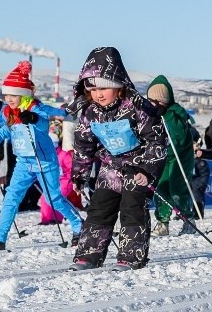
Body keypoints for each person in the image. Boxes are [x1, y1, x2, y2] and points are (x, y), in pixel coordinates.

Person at [68, 47, 167, 270]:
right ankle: (89, 254)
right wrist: (79, 174)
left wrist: (147, 170)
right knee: (99, 208)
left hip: (137, 168)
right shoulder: (89, 112)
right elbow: (84, 144)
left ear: (118, 85)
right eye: (92, 89)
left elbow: (155, 141)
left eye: (104, 87)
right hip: (110, 168)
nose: (98, 94)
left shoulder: (137, 108)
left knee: (132, 209)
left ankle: (131, 255)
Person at [0, 61, 83, 252]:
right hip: (23, 163)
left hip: (44, 162)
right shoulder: (9, 111)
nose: (8, 98)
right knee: (11, 197)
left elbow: (42, 124)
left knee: (54, 199)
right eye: (6, 94)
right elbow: (7, 130)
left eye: (13, 95)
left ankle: (79, 226)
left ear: (24, 94)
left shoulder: (36, 108)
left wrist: (32, 119)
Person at [149, 75, 197, 236]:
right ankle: (162, 222)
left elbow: (181, 139)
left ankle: (188, 219)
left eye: (159, 102)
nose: (155, 105)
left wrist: (167, 116)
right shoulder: (150, 115)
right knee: (161, 188)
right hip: (162, 157)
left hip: (179, 158)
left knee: (178, 190)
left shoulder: (175, 114)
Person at [39, 117, 81, 223]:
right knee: (45, 198)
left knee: (57, 197)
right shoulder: (53, 151)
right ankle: (47, 218)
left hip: (65, 180)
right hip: (54, 179)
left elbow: (70, 168)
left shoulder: (65, 152)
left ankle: (56, 218)